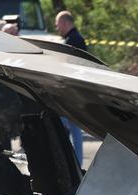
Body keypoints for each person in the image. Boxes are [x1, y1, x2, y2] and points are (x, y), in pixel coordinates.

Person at [55, 11, 87, 164]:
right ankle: (73, 162)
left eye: (58, 24)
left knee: (72, 129)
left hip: (70, 92)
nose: (56, 27)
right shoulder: (76, 39)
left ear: (65, 23)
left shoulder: (72, 41)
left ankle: (75, 163)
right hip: (74, 91)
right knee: (70, 129)